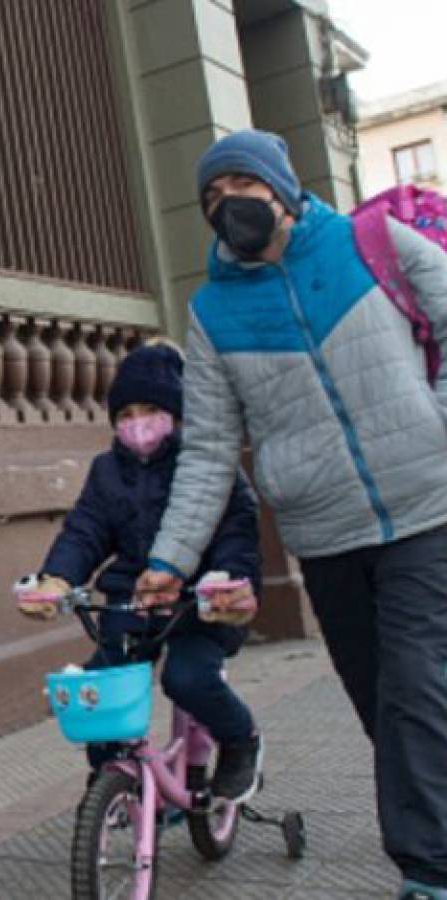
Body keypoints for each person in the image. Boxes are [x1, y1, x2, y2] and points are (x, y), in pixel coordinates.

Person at [136, 128, 447, 900]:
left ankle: (428, 871)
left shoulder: (374, 243)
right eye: (210, 199)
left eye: (240, 186)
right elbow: (208, 452)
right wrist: (169, 561)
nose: (225, 206)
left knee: (415, 688)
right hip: (326, 536)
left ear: (282, 188)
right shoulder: (212, 315)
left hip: (426, 510)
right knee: (383, 703)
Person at [17, 343, 263, 800]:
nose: (138, 422)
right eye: (126, 412)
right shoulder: (106, 470)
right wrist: (56, 579)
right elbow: (84, 531)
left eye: (151, 408)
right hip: (131, 602)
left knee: (187, 679)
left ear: (177, 412)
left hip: (199, 606)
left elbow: (237, 531)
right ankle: (112, 777)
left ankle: (240, 739)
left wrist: (227, 579)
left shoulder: (205, 465)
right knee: (99, 693)